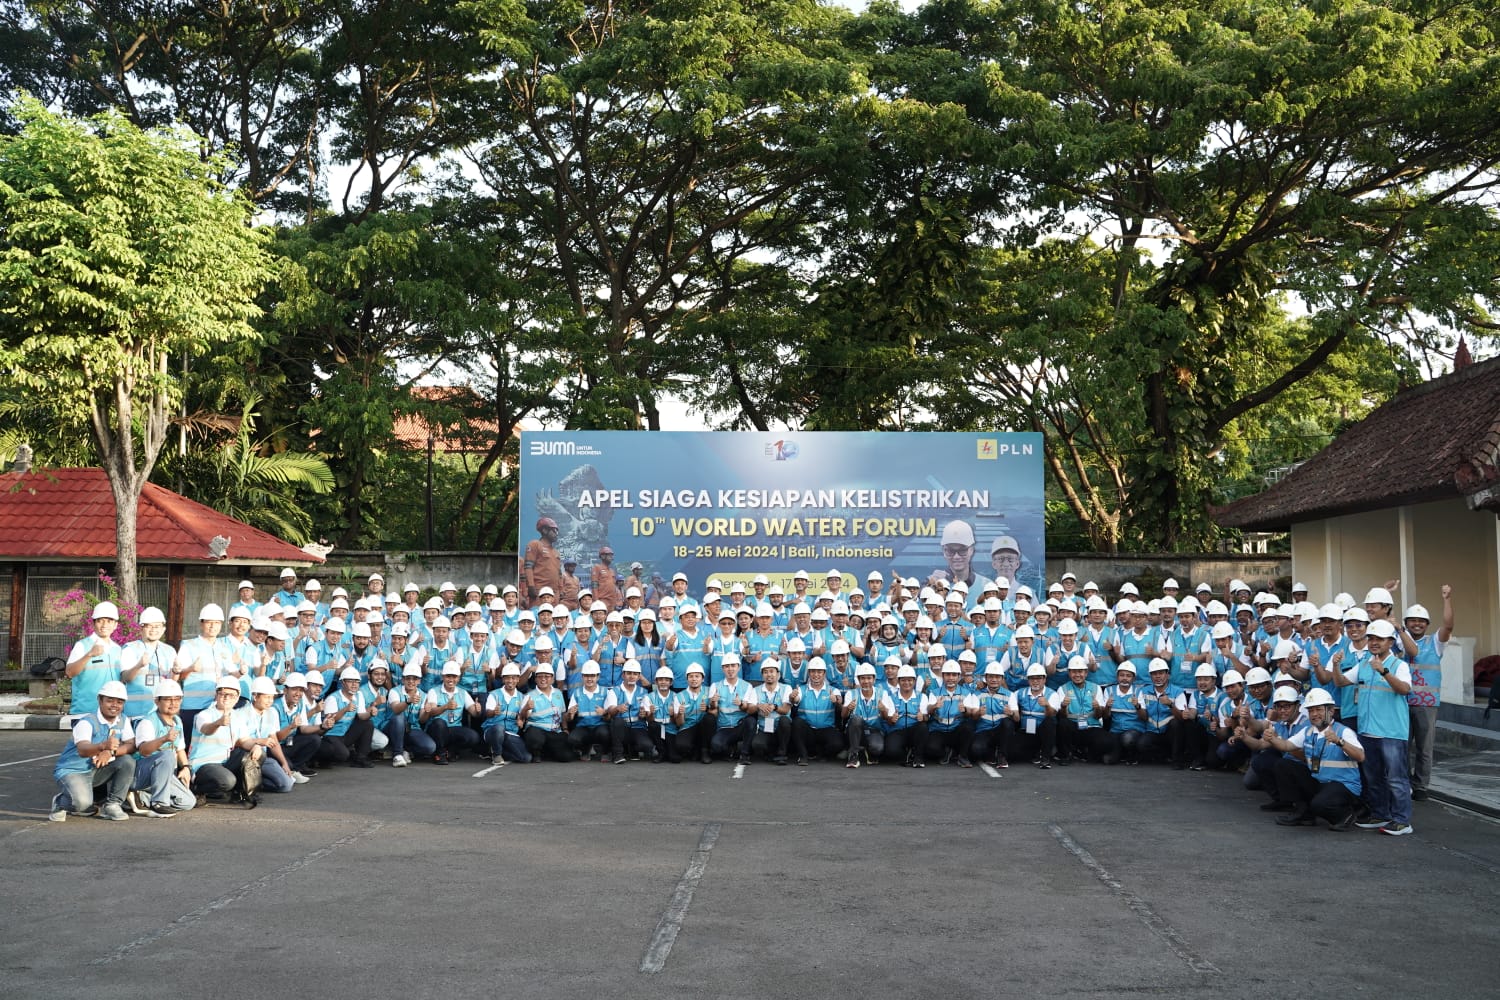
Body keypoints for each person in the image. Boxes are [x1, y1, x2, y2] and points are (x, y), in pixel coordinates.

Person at [1330, 619, 1414, 836]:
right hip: (1367, 730)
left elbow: (1405, 689)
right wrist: (1336, 666)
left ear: (1390, 642)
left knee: (1396, 778)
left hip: (1391, 732)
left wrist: (1384, 672)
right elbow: (1340, 682)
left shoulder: (1399, 665)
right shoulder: (1365, 665)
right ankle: (1380, 814)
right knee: (1373, 777)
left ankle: (1402, 820)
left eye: (1380, 639)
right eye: (1372, 638)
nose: (1374, 642)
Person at [1261, 688, 1365, 830]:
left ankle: (1346, 815)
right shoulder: (1308, 731)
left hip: (1343, 785)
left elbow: (1361, 756)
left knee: (1319, 804)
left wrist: (1339, 742)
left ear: (1331, 711)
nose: (1314, 714)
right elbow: (1286, 746)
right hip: (1320, 781)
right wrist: (1272, 739)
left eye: (1319, 709)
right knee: (1284, 765)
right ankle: (1304, 813)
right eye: (1311, 710)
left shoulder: (1343, 731)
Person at [49, 680, 136, 822]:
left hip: (95, 769)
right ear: (100, 700)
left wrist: (111, 752)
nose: (115, 705)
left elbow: (131, 745)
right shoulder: (86, 722)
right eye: (110, 700)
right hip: (73, 770)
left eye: (120, 702)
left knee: (127, 761)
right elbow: (82, 750)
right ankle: (60, 802)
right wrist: (103, 746)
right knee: (82, 804)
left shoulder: (123, 720)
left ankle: (113, 805)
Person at [1404, 586, 1453, 801]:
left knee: (1424, 748)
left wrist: (1447, 599)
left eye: (1421, 621)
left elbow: (1448, 625)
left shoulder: (1435, 642)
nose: (1417, 624)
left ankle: (1421, 786)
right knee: (1402, 746)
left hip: (1426, 704)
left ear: (1427, 624)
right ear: (1406, 623)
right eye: (1412, 620)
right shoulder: (1399, 641)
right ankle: (1404, 783)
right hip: (1401, 701)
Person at [187, 677, 259, 808]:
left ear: (237, 698)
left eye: (231, 695)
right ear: (216, 695)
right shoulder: (204, 715)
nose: (226, 698)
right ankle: (197, 789)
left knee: (257, 754)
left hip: (225, 762)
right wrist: (218, 723)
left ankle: (239, 793)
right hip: (203, 764)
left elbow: (244, 741)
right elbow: (206, 729)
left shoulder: (238, 716)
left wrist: (255, 746)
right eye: (222, 694)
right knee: (227, 781)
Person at [126, 678, 194, 816]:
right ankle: (159, 803)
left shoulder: (177, 721)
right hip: (141, 773)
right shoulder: (148, 722)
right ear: (157, 701)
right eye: (168, 699)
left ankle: (142, 797)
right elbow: (144, 750)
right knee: (167, 754)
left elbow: (180, 748)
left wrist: (186, 767)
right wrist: (164, 739)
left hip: (163, 774)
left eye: (177, 699)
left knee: (188, 802)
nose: (173, 703)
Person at [65, 600, 123, 717]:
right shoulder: (82, 645)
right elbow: (69, 672)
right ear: (93, 623)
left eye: (109, 621)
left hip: (112, 713)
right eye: (100, 621)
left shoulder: (117, 649)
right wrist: (89, 654)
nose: (104, 625)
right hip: (85, 711)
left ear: (115, 625)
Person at [119, 605, 175, 720]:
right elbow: (125, 678)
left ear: (163, 629)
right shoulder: (130, 649)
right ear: (141, 628)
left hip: (162, 714)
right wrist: (139, 665)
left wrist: (177, 672)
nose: (153, 630)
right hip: (136, 714)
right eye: (149, 626)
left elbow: (172, 682)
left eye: (157, 626)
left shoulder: (169, 651)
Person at [421, 661, 482, 763]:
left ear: (458, 678)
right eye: (448, 676)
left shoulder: (463, 693)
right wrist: (445, 707)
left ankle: (450, 750)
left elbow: (474, 713)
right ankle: (440, 754)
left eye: (454, 677)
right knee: (439, 723)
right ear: (443, 677)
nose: (451, 680)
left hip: (454, 728)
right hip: (437, 729)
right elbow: (431, 712)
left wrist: (478, 710)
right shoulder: (433, 691)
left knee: (473, 737)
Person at [789, 658, 844, 766]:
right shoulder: (801, 689)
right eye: (813, 671)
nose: (816, 675)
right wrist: (793, 698)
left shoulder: (833, 690)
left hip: (826, 729)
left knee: (838, 744)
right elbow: (796, 699)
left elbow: (839, 702)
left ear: (824, 673)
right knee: (797, 722)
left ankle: (820, 753)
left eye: (819, 672)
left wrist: (836, 701)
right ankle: (803, 756)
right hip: (808, 731)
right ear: (809, 673)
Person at [318, 666, 375, 768]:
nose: (354, 684)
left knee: (367, 723)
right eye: (350, 681)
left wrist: (370, 713)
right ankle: (322, 759)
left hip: (345, 733)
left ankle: (361, 758)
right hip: (331, 735)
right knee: (343, 755)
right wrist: (344, 710)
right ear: (343, 682)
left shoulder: (359, 695)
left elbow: (361, 716)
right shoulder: (333, 698)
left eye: (357, 682)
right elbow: (329, 721)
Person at [1003, 664, 1057, 768]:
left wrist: (1047, 706)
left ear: (1044, 679)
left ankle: (1045, 758)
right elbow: (1008, 699)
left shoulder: (1052, 694)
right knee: (1011, 754)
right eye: (1032, 678)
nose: (1035, 681)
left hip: (1043, 732)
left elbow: (1052, 714)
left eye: (1039, 678)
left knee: (1050, 721)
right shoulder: (1020, 693)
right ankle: (1035, 752)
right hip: (1026, 731)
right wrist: (1011, 711)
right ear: (1028, 680)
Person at [842, 663, 894, 769]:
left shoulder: (882, 693)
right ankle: (853, 754)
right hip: (855, 731)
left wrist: (883, 710)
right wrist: (848, 708)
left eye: (869, 678)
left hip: (874, 731)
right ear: (858, 680)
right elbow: (843, 715)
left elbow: (885, 717)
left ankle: (865, 749)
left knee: (877, 749)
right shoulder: (851, 693)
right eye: (863, 678)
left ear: (874, 679)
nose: (866, 681)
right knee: (856, 719)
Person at [708, 654, 756, 764]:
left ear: (739, 667)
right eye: (727, 666)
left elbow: (750, 709)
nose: (730, 669)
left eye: (733, 665)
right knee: (716, 746)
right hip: (724, 727)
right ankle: (731, 748)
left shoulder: (747, 686)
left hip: (740, 725)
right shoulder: (715, 686)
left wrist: (741, 704)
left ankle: (744, 754)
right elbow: (713, 708)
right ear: (722, 669)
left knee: (751, 721)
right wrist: (713, 702)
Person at [925, 661, 975, 766]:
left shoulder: (966, 693)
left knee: (968, 727)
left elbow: (970, 713)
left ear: (959, 676)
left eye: (954, 675)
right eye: (947, 674)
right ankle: (947, 752)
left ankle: (962, 757)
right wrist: (934, 706)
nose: (951, 678)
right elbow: (928, 709)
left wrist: (965, 710)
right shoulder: (934, 692)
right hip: (938, 729)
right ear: (943, 676)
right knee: (931, 749)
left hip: (956, 730)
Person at [605, 659, 654, 764]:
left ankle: (632, 749)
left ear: (639, 676)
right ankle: (618, 754)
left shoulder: (644, 692)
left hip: (638, 727)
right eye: (629, 673)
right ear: (623, 675)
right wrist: (617, 708)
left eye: (635, 674)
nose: (632, 676)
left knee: (647, 746)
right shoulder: (614, 691)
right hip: (621, 729)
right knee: (618, 722)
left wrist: (644, 714)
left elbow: (647, 715)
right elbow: (610, 711)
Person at [519, 663, 571, 762]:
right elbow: (524, 716)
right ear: (535, 679)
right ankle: (537, 753)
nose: (543, 679)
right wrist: (526, 708)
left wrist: (565, 729)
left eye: (547, 676)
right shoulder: (530, 695)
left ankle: (548, 751)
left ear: (552, 679)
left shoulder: (558, 693)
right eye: (540, 676)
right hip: (537, 731)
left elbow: (562, 713)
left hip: (555, 732)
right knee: (535, 737)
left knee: (566, 757)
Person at [748, 659, 793, 764]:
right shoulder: (756, 690)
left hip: (781, 729)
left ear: (778, 674)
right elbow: (749, 710)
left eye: (772, 671)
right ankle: (771, 753)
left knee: (785, 721)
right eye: (765, 672)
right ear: (762, 675)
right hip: (765, 728)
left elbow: (786, 710)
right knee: (757, 745)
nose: (769, 674)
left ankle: (782, 754)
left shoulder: (786, 688)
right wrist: (758, 706)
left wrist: (775, 707)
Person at [566, 661, 611, 761]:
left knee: (605, 733)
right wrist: (571, 714)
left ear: (598, 677)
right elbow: (569, 718)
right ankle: (585, 749)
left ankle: (605, 752)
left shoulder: (605, 692)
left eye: (592, 676)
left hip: (600, 726)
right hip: (583, 726)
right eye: (586, 676)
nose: (589, 679)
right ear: (582, 677)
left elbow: (609, 717)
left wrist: (604, 713)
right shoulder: (577, 693)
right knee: (572, 739)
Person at [523, 516, 563, 606]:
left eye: (557, 531)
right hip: (539, 591)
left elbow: (559, 573)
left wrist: (561, 590)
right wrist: (531, 586)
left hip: (554, 593)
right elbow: (528, 567)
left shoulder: (556, 552)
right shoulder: (535, 544)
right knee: (537, 613)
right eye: (554, 530)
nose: (556, 534)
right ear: (544, 530)